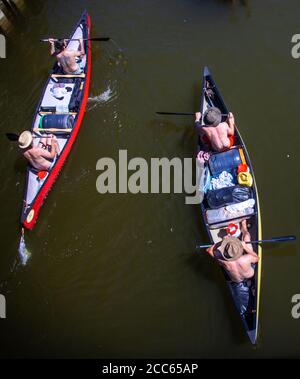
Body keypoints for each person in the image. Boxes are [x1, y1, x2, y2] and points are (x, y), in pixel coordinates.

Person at [206, 220, 259, 315]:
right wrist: (245, 247)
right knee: (246, 237)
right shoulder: (246, 258)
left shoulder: (224, 262)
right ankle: (244, 227)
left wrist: (222, 242)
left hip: (237, 281)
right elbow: (257, 258)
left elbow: (209, 250)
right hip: (250, 275)